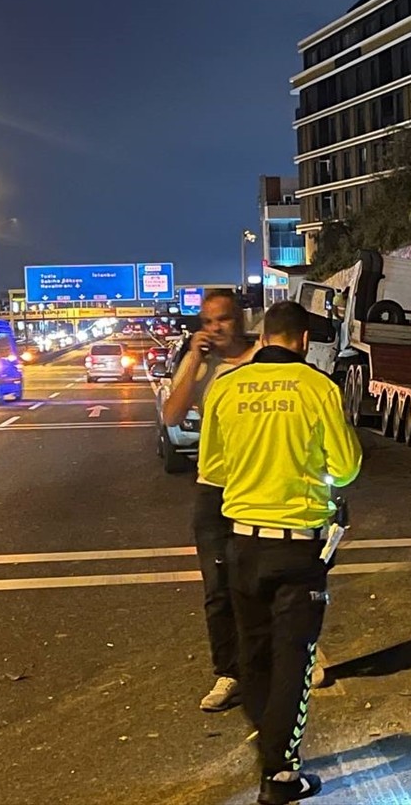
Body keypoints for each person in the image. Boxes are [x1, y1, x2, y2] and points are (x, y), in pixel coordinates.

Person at [199, 301, 362, 804]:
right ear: (304, 340)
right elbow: (347, 466)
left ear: (265, 336)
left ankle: (269, 748)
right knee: (294, 659)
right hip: (297, 549)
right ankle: (281, 774)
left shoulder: (226, 387)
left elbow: (213, 469)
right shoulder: (318, 388)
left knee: (254, 654)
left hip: (242, 544)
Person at [163, 290, 255, 712]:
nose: (215, 328)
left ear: (241, 320)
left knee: (270, 579)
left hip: (262, 486)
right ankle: (230, 671)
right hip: (215, 486)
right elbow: (172, 415)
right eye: (208, 321)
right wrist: (195, 363)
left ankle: (288, 656)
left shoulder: (262, 357)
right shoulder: (200, 364)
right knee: (218, 586)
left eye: (224, 319)